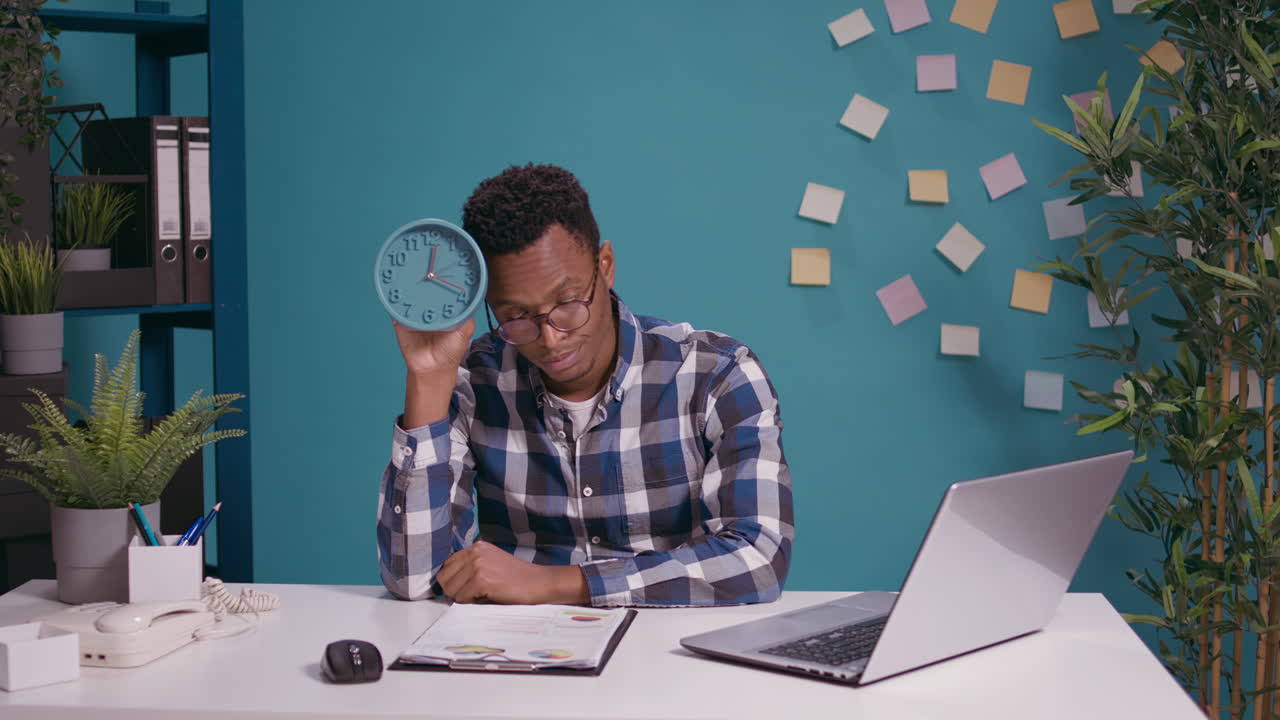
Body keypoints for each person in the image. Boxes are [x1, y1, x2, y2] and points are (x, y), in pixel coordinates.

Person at [377, 163, 794, 607]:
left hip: (669, 654)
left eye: (567, 303)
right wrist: (428, 378)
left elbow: (758, 558)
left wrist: (556, 584)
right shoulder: (472, 382)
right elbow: (413, 580)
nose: (551, 337)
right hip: (514, 657)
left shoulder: (717, 375)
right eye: (517, 317)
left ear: (606, 266)